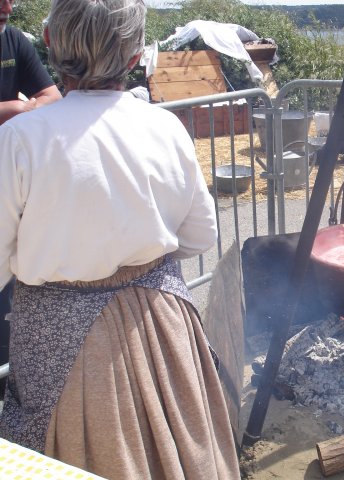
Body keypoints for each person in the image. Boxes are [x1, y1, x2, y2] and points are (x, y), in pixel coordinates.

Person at [0, 0, 241, 478]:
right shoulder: (164, 125)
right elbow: (200, 235)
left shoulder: (22, 138)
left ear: (49, 42)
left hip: (62, 342)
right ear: (134, 57)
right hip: (164, 324)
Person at [0, 0, 62, 394]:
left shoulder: (12, 39)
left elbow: (53, 97)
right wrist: (21, 107)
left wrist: (16, 108)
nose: (6, 4)